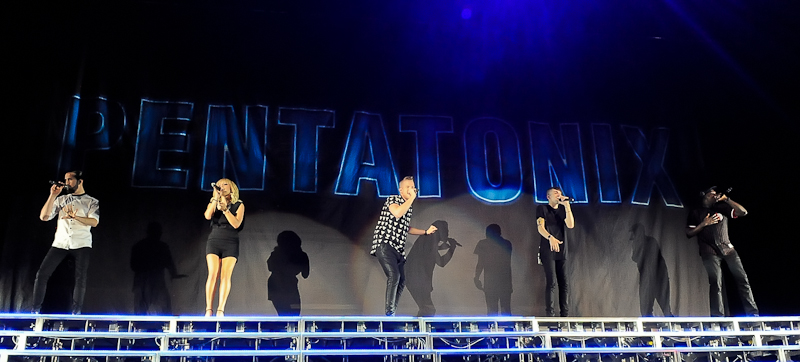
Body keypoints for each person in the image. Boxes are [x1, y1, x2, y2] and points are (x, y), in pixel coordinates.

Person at [32, 171, 99, 314]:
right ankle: (35, 311)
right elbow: (44, 217)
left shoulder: (91, 201)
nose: (67, 182)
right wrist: (53, 195)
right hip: (61, 243)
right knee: (42, 274)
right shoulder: (61, 199)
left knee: (80, 277)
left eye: (70, 180)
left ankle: (76, 312)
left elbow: (94, 222)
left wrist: (76, 217)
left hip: (81, 243)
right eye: (65, 180)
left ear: (80, 181)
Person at [686, 186, 758, 316]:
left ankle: (753, 315)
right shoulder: (696, 212)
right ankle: (717, 318)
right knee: (716, 284)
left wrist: (727, 199)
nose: (714, 196)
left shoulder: (722, 208)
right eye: (711, 194)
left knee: (743, 280)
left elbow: (743, 212)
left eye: (715, 194)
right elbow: (689, 233)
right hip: (709, 251)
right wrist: (703, 224)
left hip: (728, 250)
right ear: (704, 196)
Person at [371, 176, 437, 316]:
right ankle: (389, 313)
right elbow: (397, 213)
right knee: (394, 275)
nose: (411, 190)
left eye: (412, 187)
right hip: (385, 244)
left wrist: (426, 232)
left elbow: (407, 228)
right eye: (408, 187)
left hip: (398, 250)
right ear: (401, 190)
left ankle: (392, 310)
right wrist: (412, 198)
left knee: (402, 279)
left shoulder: (408, 207)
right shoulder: (393, 199)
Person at [203, 178, 245, 316]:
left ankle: (220, 310)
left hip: (230, 241)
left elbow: (236, 224)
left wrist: (226, 210)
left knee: (225, 276)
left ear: (232, 187)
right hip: (214, 239)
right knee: (213, 274)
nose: (221, 186)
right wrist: (215, 199)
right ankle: (209, 310)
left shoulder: (238, 205)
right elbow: (208, 216)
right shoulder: (214, 202)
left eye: (225, 184)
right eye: (219, 184)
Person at [536, 186, 575, 317]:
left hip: (562, 249)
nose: (559, 196)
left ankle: (565, 315)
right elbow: (540, 228)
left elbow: (570, 225)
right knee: (551, 282)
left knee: (564, 282)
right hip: (548, 249)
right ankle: (550, 315)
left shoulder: (563, 210)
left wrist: (567, 206)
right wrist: (550, 238)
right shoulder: (542, 209)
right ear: (549, 197)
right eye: (556, 194)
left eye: (560, 194)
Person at [405, 220, 458, 316]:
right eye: (446, 230)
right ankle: (417, 329)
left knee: (426, 309)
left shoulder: (426, 240)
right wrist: (452, 248)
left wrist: (444, 246)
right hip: (418, 280)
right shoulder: (430, 241)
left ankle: (417, 329)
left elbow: (431, 252)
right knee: (428, 309)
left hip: (415, 279)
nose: (447, 233)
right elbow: (441, 262)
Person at [267, 230, 310, 316]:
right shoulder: (301, 255)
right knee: (293, 315)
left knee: (284, 314)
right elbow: (305, 274)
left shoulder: (276, 254)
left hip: (277, 285)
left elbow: (270, 267)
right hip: (284, 285)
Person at [474, 224, 513, 316]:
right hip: (505, 281)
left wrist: (476, 277)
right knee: (506, 308)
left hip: (491, 282)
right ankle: (508, 328)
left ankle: (492, 327)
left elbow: (480, 263)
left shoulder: (483, 244)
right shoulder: (507, 243)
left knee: (492, 309)